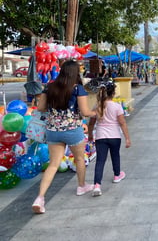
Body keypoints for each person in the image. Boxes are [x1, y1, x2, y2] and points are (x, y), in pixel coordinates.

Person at [32, 60, 97, 214]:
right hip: (73, 130)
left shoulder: (50, 87)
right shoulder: (78, 89)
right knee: (79, 159)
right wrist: (97, 113)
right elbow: (85, 112)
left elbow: (40, 108)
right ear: (75, 73)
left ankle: (40, 198)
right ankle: (81, 186)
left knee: (54, 164)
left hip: (53, 130)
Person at [88, 81, 131, 197]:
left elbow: (91, 123)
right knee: (115, 156)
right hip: (115, 136)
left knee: (100, 160)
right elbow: (122, 123)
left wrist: (90, 135)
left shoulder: (97, 107)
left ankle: (97, 185)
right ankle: (117, 175)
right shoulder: (117, 107)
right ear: (113, 93)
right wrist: (127, 138)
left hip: (100, 136)